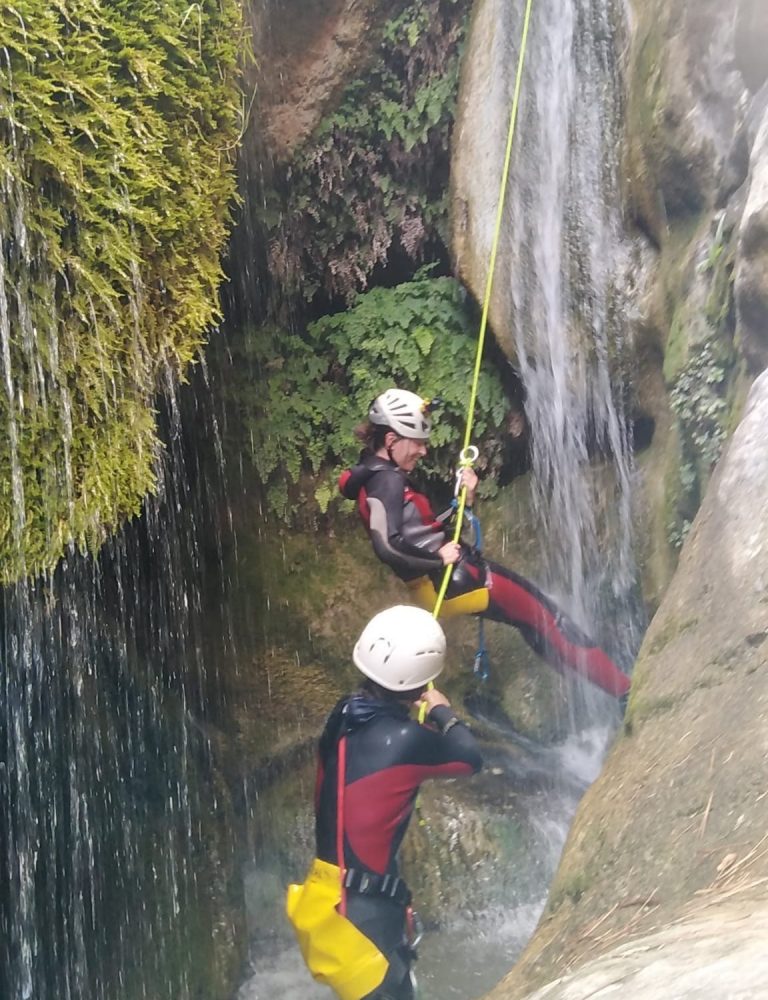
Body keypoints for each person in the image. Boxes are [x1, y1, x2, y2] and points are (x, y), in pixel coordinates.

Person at [338, 388, 630, 701]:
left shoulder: (376, 473)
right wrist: (437, 558)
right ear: (392, 441)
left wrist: (464, 499)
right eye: (417, 443)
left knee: (533, 622)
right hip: (450, 579)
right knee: (551, 620)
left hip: (445, 578)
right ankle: (622, 691)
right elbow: (388, 545)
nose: (423, 451)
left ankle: (594, 689)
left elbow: (420, 528)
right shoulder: (386, 481)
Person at [298, 605, 482, 1000]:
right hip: (363, 914)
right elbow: (469, 757)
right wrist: (441, 709)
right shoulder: (405, 740)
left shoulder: (344, 713)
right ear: (421, 680)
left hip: (328, 899)